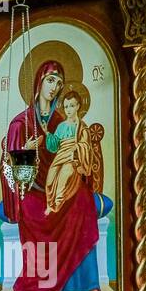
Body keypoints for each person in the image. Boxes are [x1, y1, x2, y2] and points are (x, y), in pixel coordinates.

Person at [1, 59, 101, 291]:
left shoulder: (62, 121)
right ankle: (41, 278)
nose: (54, 87)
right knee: (34, 211)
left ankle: (85, 280)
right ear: (39, 82)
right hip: (32, 190)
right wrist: (26, 148)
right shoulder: (20, 123)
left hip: (60, 185)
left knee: (84, 201)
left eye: (59, 82)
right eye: (50, 80)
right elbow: (12, 170)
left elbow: (77, 150)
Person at [45, 83, 101, 216]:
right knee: (49, 181)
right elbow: (54, 146)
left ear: (78, 106)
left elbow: (86, 146)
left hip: (73, 158)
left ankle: (55, 206)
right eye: (65, 107)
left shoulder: (82, 127)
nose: (68, 109)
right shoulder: (61, 126)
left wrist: (76, 149)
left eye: (71, 106)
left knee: (64, 179)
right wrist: (48, 134)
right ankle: (49, 203)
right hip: (60, 156)